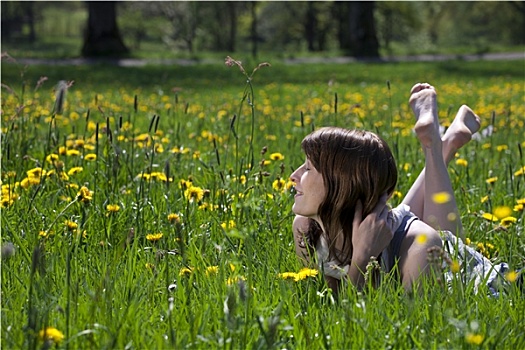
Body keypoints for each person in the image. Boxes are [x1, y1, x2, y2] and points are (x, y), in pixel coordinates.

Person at [290, 83, 519, 295]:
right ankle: (443, 144)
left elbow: (419, 325)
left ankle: (439, 144)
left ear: (342, 184)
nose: (293, 177)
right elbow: (330, 306)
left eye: (308, 168)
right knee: (402, 226)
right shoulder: (307, 229)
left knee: (438, 240)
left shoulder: (421, 246)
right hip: (397, 238)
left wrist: (361, 258)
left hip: (475, 286)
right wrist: (361, 257)